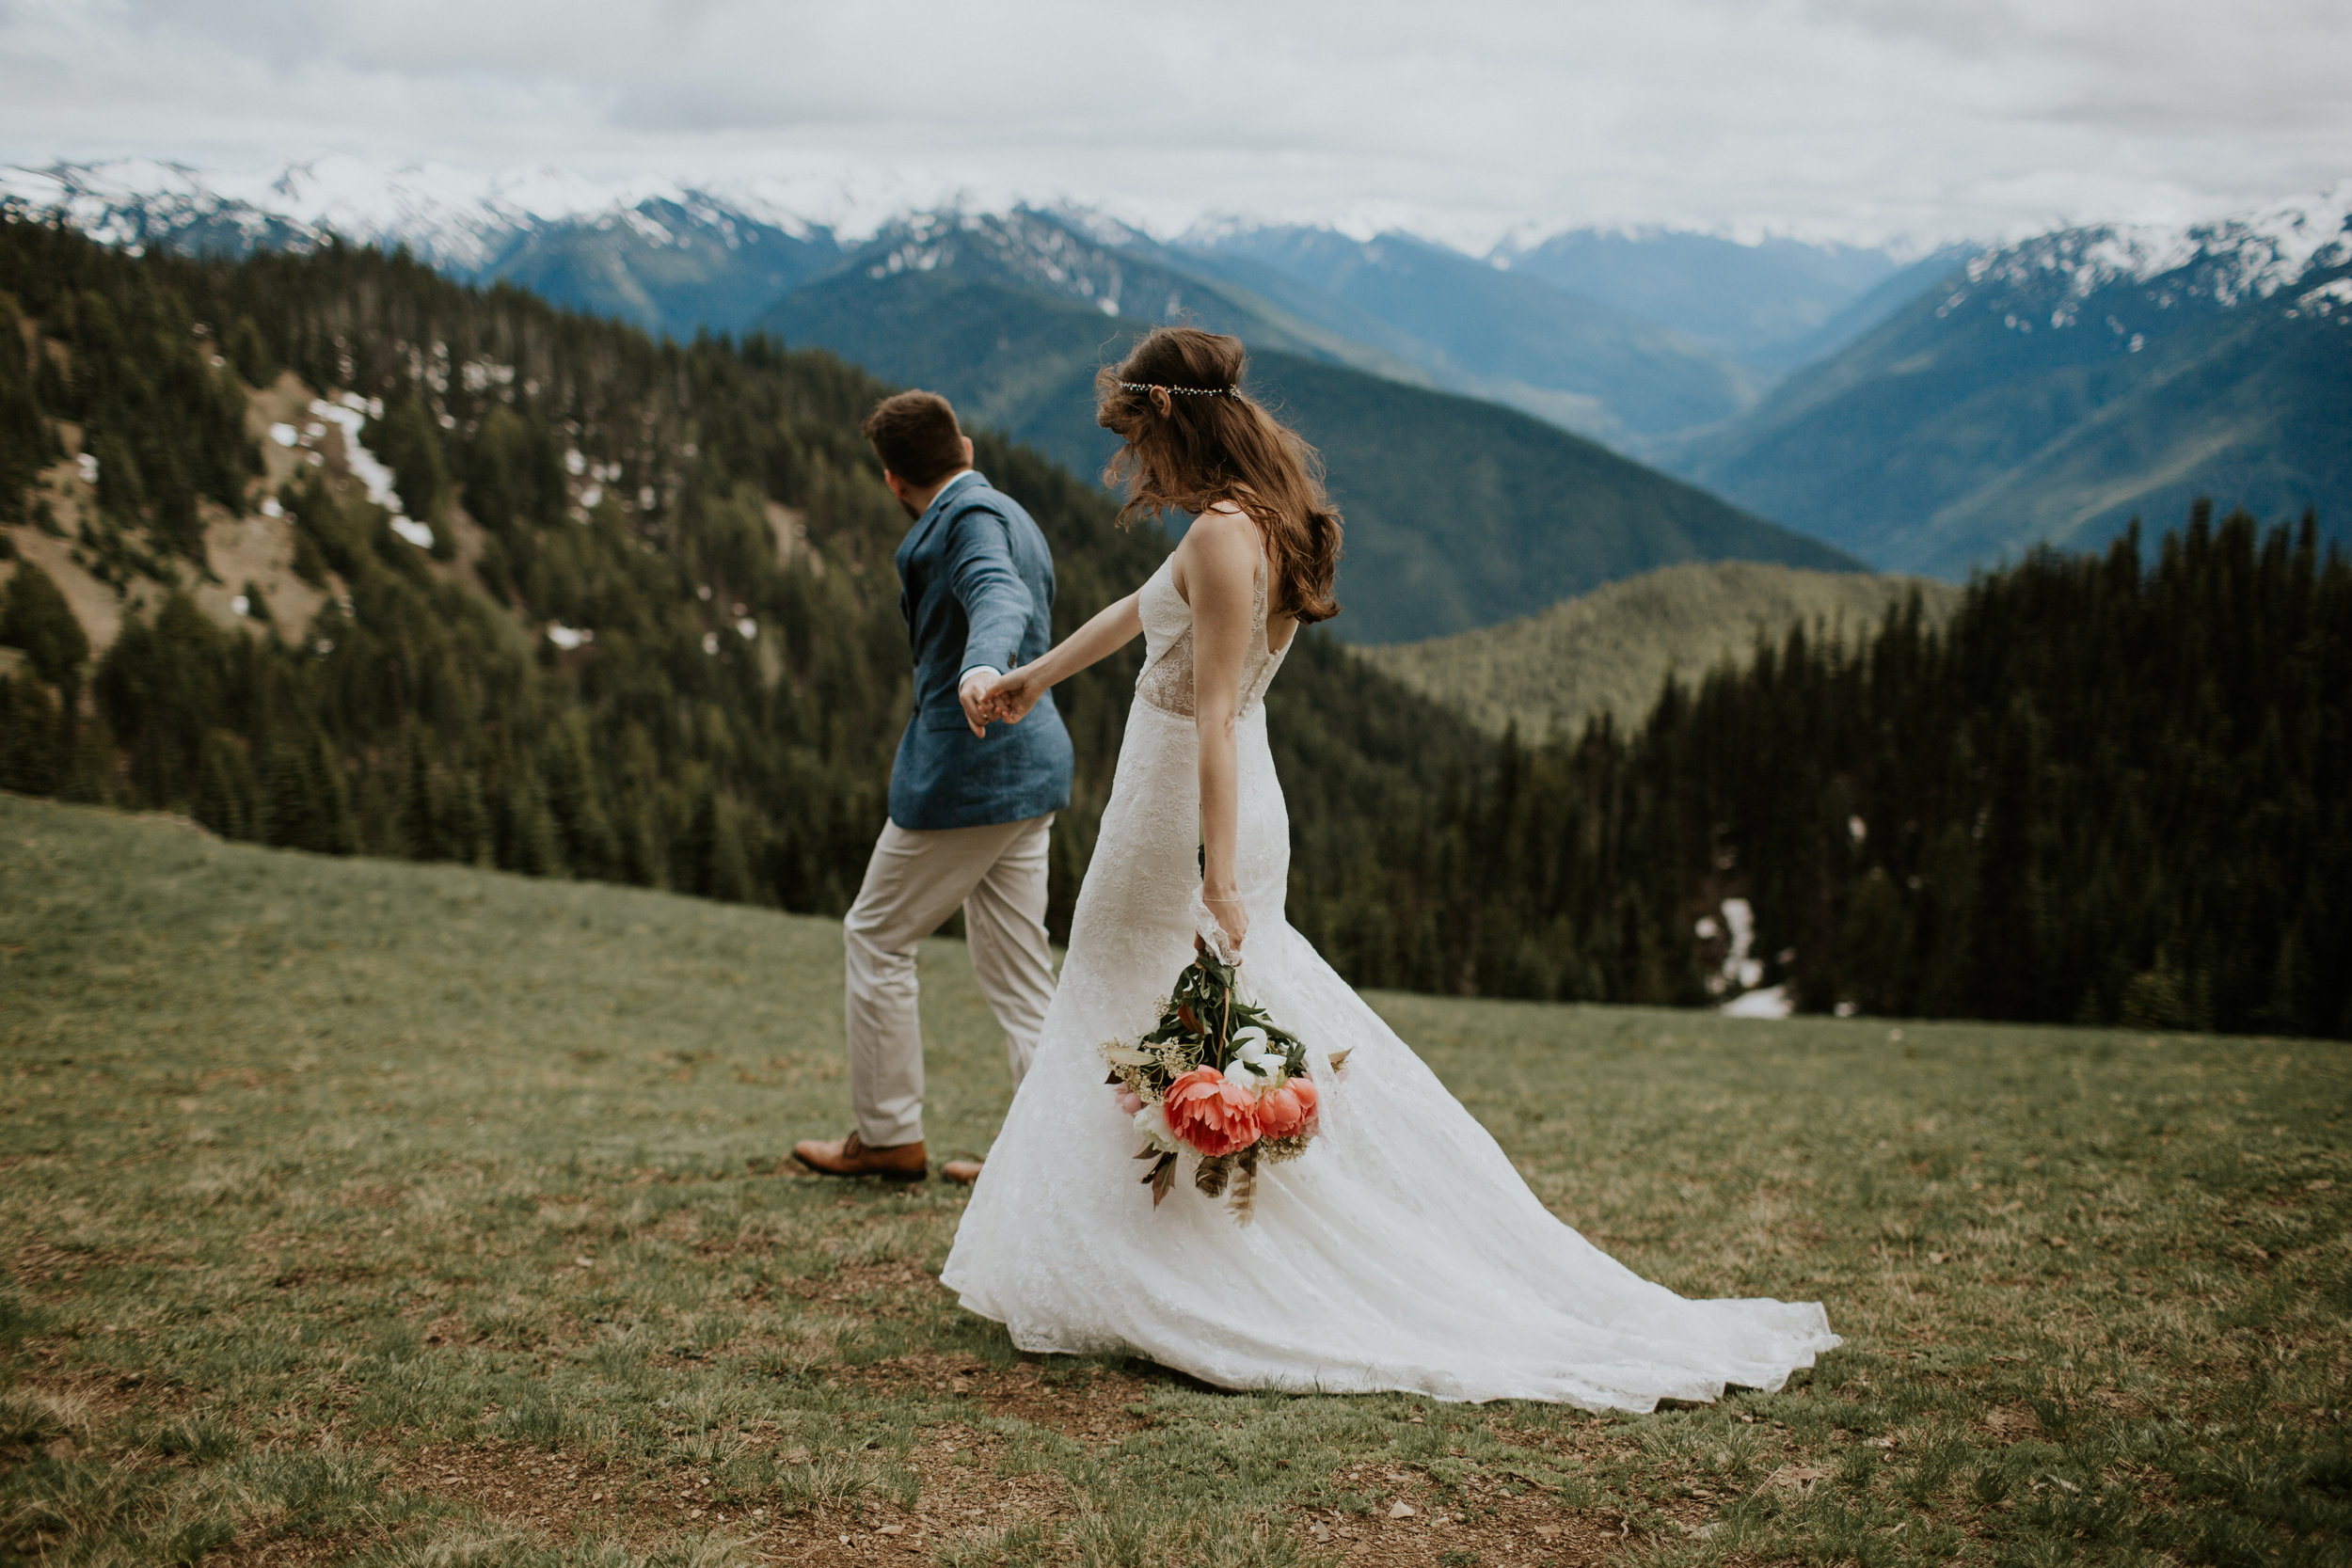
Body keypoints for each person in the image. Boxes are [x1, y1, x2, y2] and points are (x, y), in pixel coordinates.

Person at [939, 328, 1839, 1405]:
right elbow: (1145, 609)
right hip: (1206, 794)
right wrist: (1036, 675)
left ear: (1171, 417)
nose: (1137, 465)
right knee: (1148, 1008)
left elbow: (1215, 712)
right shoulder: (1249, 518)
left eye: (1137, 437)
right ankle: (1142, 1242)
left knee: (1135, 999)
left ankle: (1168, 1261)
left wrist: (1215, 877)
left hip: (1186, 803)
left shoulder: (1226, 534)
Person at [793, 391, 1073, 1186]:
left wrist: (981, 667)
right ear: (968, 446)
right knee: (1022, 978)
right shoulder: (1013, 510)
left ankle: (887, 1137)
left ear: (892, 480)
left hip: (969, 775)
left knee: (876, 935)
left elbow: (999, 596)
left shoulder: (968, 523)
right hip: (1032, 771)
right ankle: (1046, 1161)